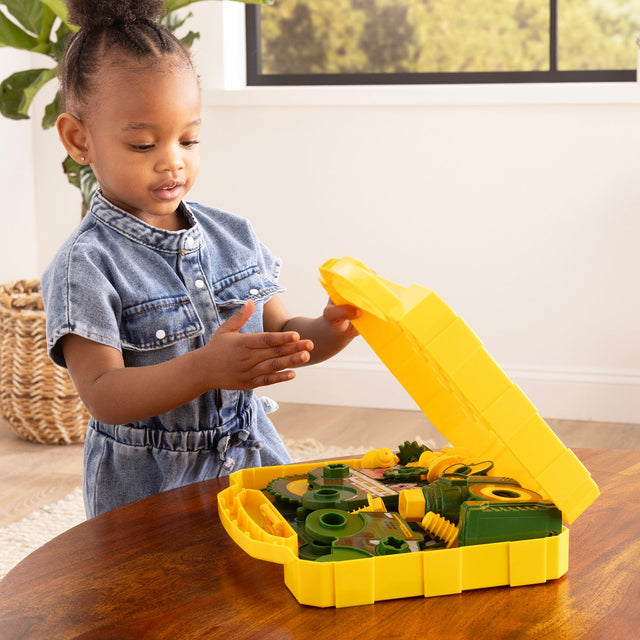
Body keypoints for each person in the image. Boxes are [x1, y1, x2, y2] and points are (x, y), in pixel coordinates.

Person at [42, 0, 360, 518]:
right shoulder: (85, 265)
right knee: (161, 597)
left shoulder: (232, 234)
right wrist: (204, 369)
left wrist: (331, 329)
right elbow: (103, 393)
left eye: (189, 139)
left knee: (267, 586)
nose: (174, 159)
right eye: (143, 144)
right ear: (80, 139)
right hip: (148, 493)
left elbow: (280, 331)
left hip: (253, 463)